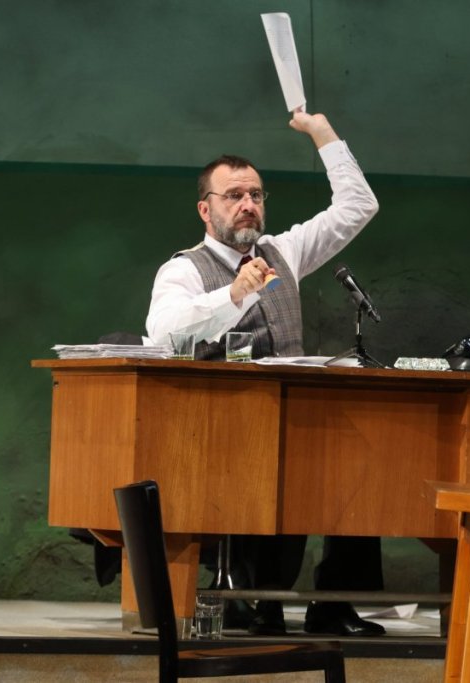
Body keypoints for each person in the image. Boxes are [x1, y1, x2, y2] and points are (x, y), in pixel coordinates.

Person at [146, 111, 385, 637]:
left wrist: (321, 133)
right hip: (221, 428)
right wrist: (232, 295)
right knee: (264, 460)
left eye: (255, 194)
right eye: (233, 195)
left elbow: (358, 207)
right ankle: (254, 599)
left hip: (294, 418)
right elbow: (164, 332)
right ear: (205, 209)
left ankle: (334, 601)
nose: (247, 204)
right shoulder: (184, 269)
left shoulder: (284, 252)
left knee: (357, 458)